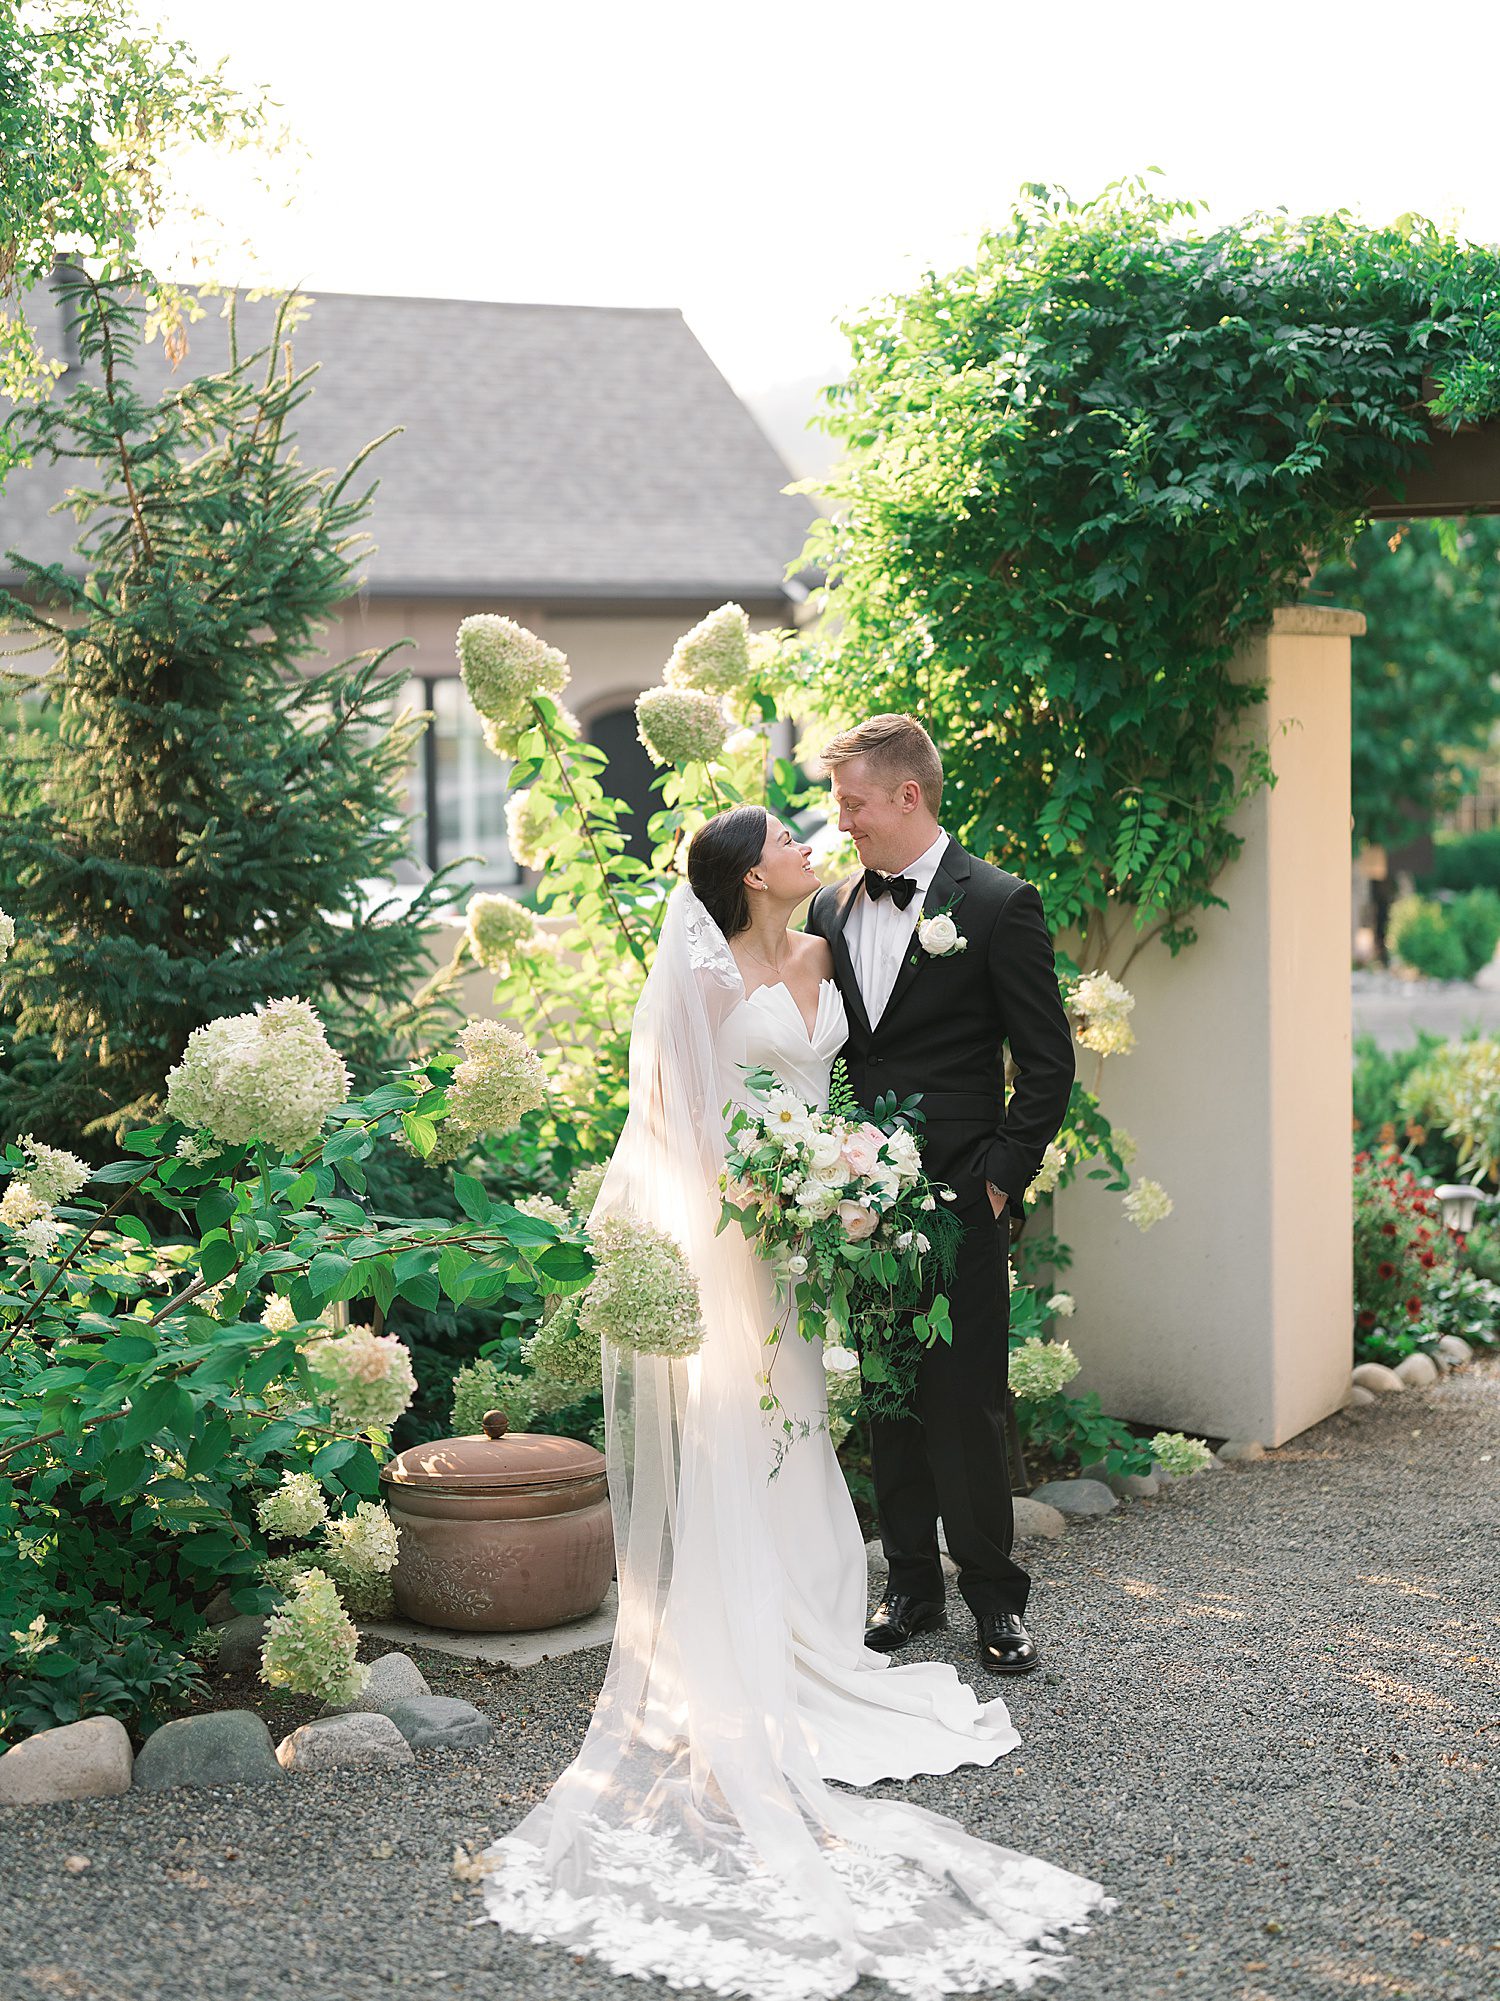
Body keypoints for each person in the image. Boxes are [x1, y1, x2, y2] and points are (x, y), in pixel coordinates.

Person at [479, 802, 1110, 1998]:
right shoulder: (705, 979)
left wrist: (857, 1186)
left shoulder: (824, 940)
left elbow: (871, 1068)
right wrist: (775, 1205)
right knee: (756, 1422)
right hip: (754, 1236)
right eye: (789, 837)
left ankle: (843, 1619)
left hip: (843, 1220)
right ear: (746, 874)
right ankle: (771, 1628)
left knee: (818, 1419)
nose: (814, 843)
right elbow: (683, 1127)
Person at [807, 714, 1076, 1678]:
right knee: (889, 1398)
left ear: (908, 796)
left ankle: (996, 1602)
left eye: (854, 803)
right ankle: (911, 1586)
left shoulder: (1000, 903)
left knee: (966, 1402)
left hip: (962, 1199)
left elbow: (1047, 1065)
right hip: (859, 1205)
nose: (844, 823)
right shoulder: (830, 910)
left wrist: (1002, 1181)